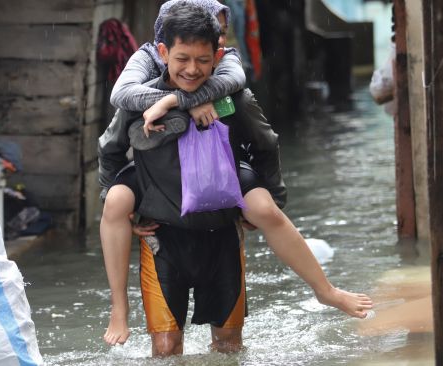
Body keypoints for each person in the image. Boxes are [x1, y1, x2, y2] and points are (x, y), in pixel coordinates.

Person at [99, 0, 373, 348]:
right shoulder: (139, 100)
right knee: (165, 348)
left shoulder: (232, 96)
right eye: (182, 59)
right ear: (164, 52)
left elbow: (266, 143)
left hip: (221, 221)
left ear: (218, 55)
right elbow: (109, 149)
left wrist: (272, 196)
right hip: (164, 233)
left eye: (202, 60)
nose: (192, 69)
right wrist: (117, 203)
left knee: (230, 344)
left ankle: (326, 290)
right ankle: (118, 310)